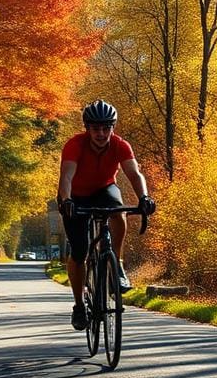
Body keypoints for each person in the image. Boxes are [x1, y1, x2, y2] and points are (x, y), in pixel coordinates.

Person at [57, 100, 156, 331]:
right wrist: (67, 200)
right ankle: (79, 305)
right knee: (79, 251)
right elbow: (66, 177)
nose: (101, 133)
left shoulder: (121, 145)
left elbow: (135, 173)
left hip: (104, 189)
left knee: (117, 209)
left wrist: (144, 197)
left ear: (113, 127)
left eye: (106, 128)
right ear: (87, 128)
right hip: (75, 196)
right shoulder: (75, 145)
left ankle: (117, 264)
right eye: (95, 128)